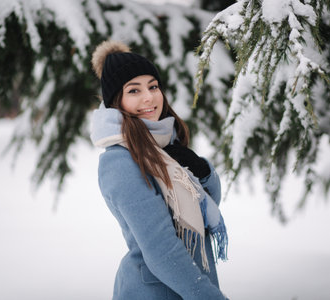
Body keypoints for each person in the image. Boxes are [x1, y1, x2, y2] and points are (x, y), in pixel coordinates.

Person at [90, 40, 229, 300]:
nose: (148, 97)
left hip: (187, 285)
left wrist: (200, 168)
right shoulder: (120, 161)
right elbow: (160, 249)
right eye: (134, 91)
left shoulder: (164, 143)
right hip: (154, 291)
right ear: (115, 100)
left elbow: (208, 205)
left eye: (153, 86)